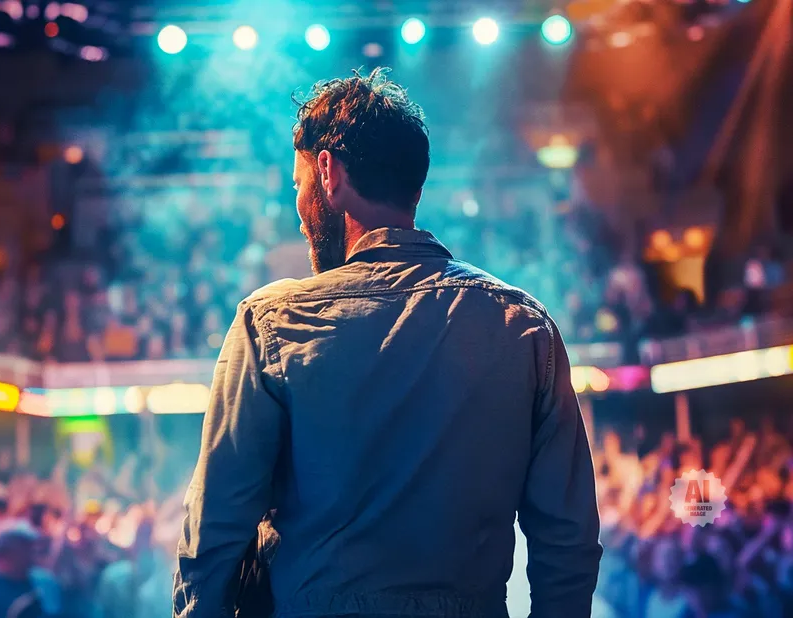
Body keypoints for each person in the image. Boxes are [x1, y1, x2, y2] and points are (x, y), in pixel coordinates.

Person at [172, 68, 602, 618]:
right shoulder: (523, 328)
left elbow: (213, 536)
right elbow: (568, 543)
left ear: (327, 172)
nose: (300, 211)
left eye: (298, 184)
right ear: (414, 187)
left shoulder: (270, 324)